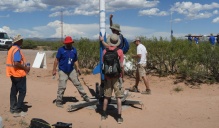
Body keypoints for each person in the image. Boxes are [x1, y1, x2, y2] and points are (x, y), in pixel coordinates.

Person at [52, 36, 90, 108]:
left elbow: (75, 60)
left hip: (71, 70)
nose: (69, 44)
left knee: (78, 83)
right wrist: (54, 70)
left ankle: (85, 97)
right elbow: (56, 60)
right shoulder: (61, 50)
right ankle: (59, 101)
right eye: (67, 43)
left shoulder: (74, 50)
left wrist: (78, 68)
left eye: (70, 43)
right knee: (62, 86)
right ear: (65, 43)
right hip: (63, 70)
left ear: (72, 43)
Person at [100, 34, 124, 124]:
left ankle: (103, 114)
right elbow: (121, 65)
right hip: (116, 77)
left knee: (106, 96)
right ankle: (119, 117)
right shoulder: (120, 51)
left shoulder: (104, 51)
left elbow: (103, 63)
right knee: (118, 97)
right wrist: (122, 76)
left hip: (107, 77)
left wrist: (102, 41)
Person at [6, 35, 30, 116]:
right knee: (22, 91)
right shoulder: (17, 50)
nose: (22, 41)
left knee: (13, 91)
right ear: (18, 41)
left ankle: (13, 108)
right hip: (19, 74)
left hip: (12, 73)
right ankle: (18, 110)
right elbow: (16, 63)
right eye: (21, 40)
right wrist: (26, 68)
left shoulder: (11, 49)